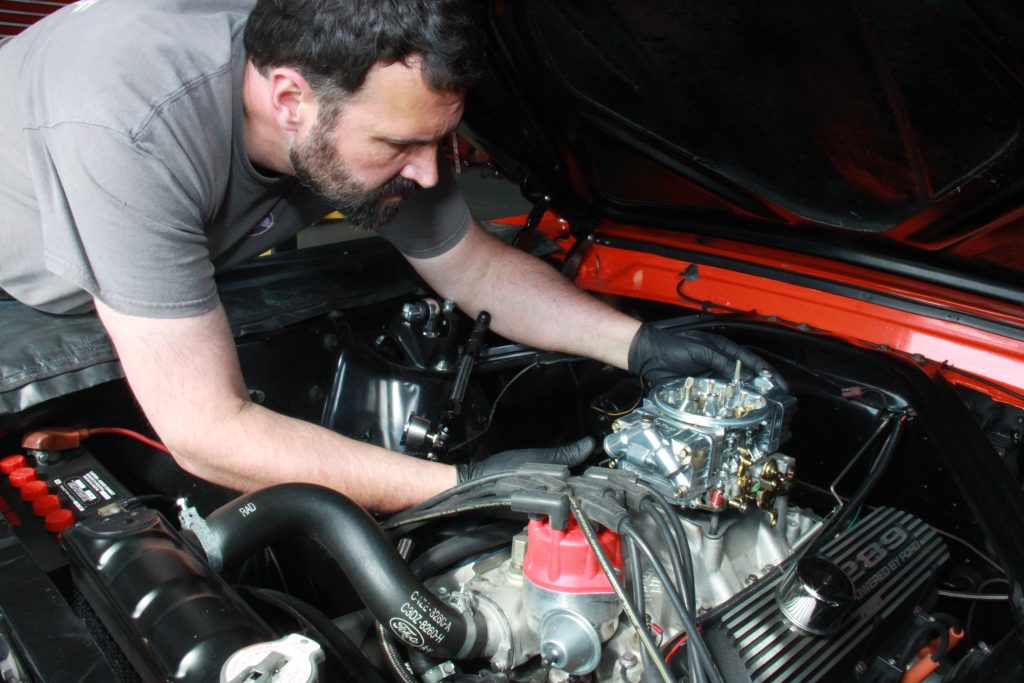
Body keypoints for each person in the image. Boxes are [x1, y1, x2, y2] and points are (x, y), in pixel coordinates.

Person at [0, 0, 764, 512]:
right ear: (290, 99)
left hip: (155, 238)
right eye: (400, 145)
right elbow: (206, 428)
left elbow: (472, 265)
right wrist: (465, 487)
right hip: (20, 281)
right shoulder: (126, 122)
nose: (431, 172)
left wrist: (638, 342)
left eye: (440, 141)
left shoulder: (364, 85)